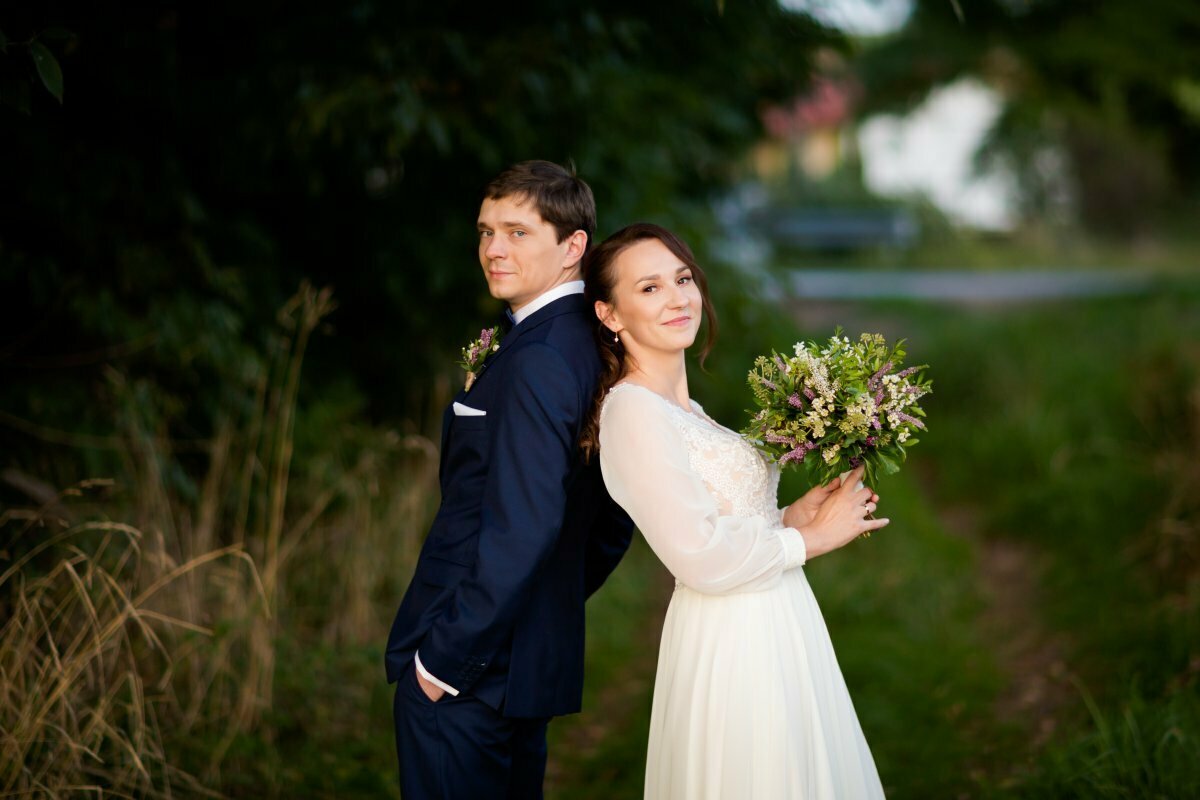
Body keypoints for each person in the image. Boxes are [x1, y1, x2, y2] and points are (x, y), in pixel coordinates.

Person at [582, 223, 888, 799]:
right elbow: (697, 556)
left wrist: (792, 517)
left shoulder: (685, 409)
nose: (677, 298)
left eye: (682, 279)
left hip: (775, 614)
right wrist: (810, 541)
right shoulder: (632, 412)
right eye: (649, 288)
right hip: (731, 635)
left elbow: (722, 521)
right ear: (610, 314)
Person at [385, 161, 633, 799]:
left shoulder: (541, 357)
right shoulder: (588, 343)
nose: (494, 249)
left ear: (573, 246)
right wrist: (545, 605)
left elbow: (526, 525)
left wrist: (444, 660)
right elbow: (611, 520)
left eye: (518, 232)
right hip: (524, 665)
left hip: (470, 672)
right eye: (486, 231)